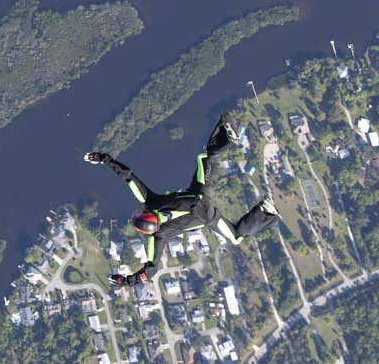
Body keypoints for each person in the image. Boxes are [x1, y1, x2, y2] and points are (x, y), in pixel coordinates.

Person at [84, 117, 275, 284]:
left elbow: (150, 270)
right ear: (146, 214)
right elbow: (128, 176)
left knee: (235, 237)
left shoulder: (158, 237)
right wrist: (104, 159)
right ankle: (226, 132)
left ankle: (266, 210)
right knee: (205, 158)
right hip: (199, 194)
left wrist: (127, 281)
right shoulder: (151, 203)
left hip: (207, 215)